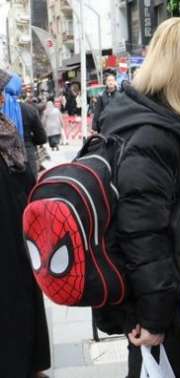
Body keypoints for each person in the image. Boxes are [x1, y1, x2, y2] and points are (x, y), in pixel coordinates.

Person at [94, 18, 180, 378]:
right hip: (167, 319)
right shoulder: (153, 135)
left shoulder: (164, 124)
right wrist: (154, 319)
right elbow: (142, 235)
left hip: (175, 304)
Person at [0, 69, 51, 378]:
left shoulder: (6, 128)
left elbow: (22, 176)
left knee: (22, 298)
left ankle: (30, 362)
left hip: (17, 235)